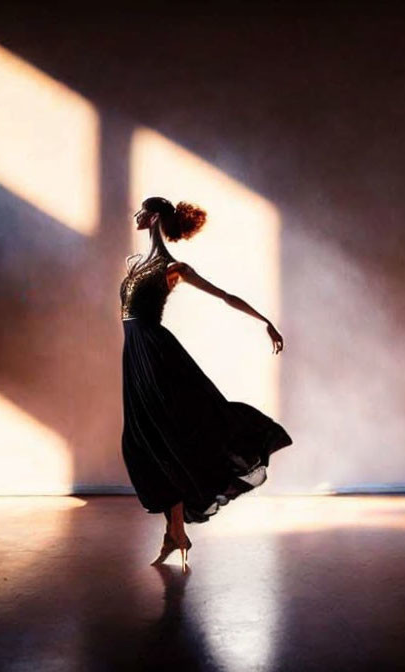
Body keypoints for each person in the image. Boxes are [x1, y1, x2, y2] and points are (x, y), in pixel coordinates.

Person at [120, 196, 293, 572]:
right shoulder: (133, 265)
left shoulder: (173, 267)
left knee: (171, 435)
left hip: (157, 356)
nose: (135, 215)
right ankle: (176, 533)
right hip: (135, 358)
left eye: (141, 211)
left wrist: (264, 320)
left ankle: (176, 532)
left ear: (153, 217)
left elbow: (223, 295)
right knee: (141, 441)